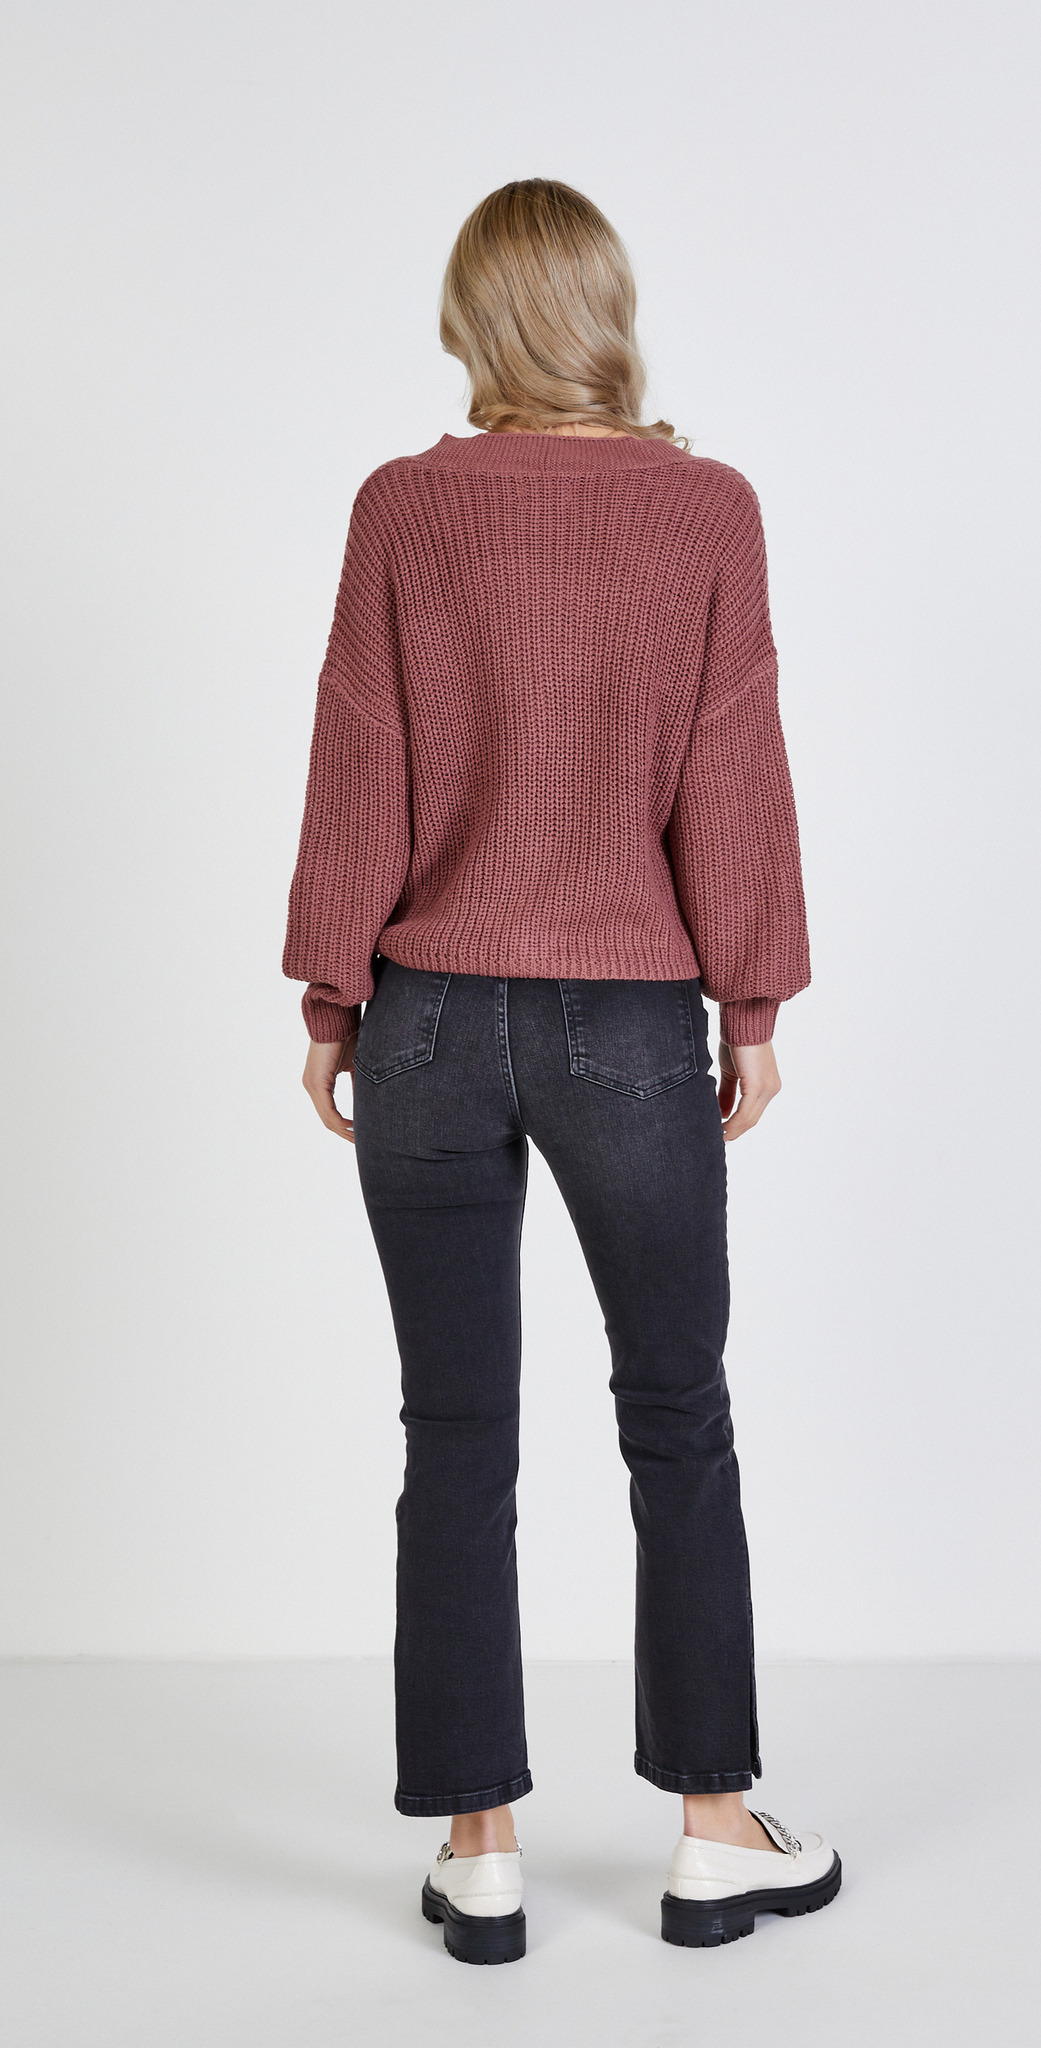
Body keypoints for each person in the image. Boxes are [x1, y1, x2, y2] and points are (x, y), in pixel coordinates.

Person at [282, 178, 838, 1962]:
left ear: (474, 320)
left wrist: (331, 997)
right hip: (627, 1024)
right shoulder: (707, 510)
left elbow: (360, 754)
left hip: (430, 1018)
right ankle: (713, 1833)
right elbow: (734, 765)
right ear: (607, 312)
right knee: (676, 1413)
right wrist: (751, 1009)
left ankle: (481, 1850)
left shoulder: (404, 507)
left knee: (455, 1434)